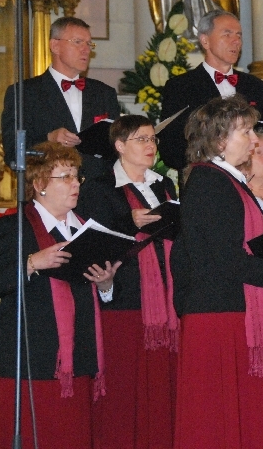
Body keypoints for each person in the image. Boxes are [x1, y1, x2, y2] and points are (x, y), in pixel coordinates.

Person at [169, 95, 263, 448]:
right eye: (246, 131)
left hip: (230, 311)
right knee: (218, 421)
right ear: (220, 139)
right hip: (217, 316)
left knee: (238, 418)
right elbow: (227, 259)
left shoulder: (225, 181)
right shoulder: (210, 182)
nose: (254, 140)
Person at [0, 142, 119, 449]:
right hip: (32, 362)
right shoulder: (13, 227)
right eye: (65, 176)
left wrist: (105, 285)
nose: (76, 183)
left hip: (77, 361)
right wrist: (31, 262)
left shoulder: (86, 230)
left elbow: (95, 296)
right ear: (40, 183)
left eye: (77, 176)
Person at [74, 115, 178, 449]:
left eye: (152, 139)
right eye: (141, 139)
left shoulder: (164, 184)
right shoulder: (99, 187)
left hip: (167, 302)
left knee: (163, 391)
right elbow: (93, 242)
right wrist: (128, 221)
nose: (150, 146)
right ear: (119, 145)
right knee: (125, 393)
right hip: (123, 299)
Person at [158, 9, 263, 172]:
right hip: (203, 179)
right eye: (227, 34)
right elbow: (170, 150)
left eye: (239, 35)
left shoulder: (256, 86)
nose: (236, 41)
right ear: (205, 41)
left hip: (250, 180)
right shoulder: (180, 87)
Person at [1, 17, 120, 182]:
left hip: (98, 191)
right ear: (55, 46)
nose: (86, 50)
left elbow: (118, 150)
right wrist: (49, 139)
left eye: (89, 44)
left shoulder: (104, 93)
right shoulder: (24, 93)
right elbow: (14, 153)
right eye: (78, 42)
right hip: (50, 190)